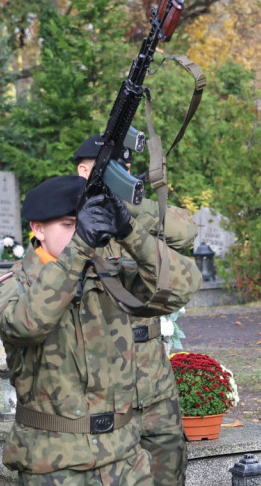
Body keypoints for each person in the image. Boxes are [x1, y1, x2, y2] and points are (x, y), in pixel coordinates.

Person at [0, 174, 201, 484]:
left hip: (124, 459)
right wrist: (78, 249)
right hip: (55, 465)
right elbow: (26, 325)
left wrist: (129, 230)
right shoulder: (14, 286)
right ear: (38, 229)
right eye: (69, 225)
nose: (81, 232)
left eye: (84, 224)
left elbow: (183, 286)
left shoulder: (110, 278)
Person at [72, 134, 198, 486]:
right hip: (105, 388)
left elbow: (185, 232)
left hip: (154, 382)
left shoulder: (138, 213)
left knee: (169, 471)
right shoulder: (69, 218)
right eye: (112, 171)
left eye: (125, 171)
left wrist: (127, 208)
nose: (123, 177)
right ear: (84, 171)